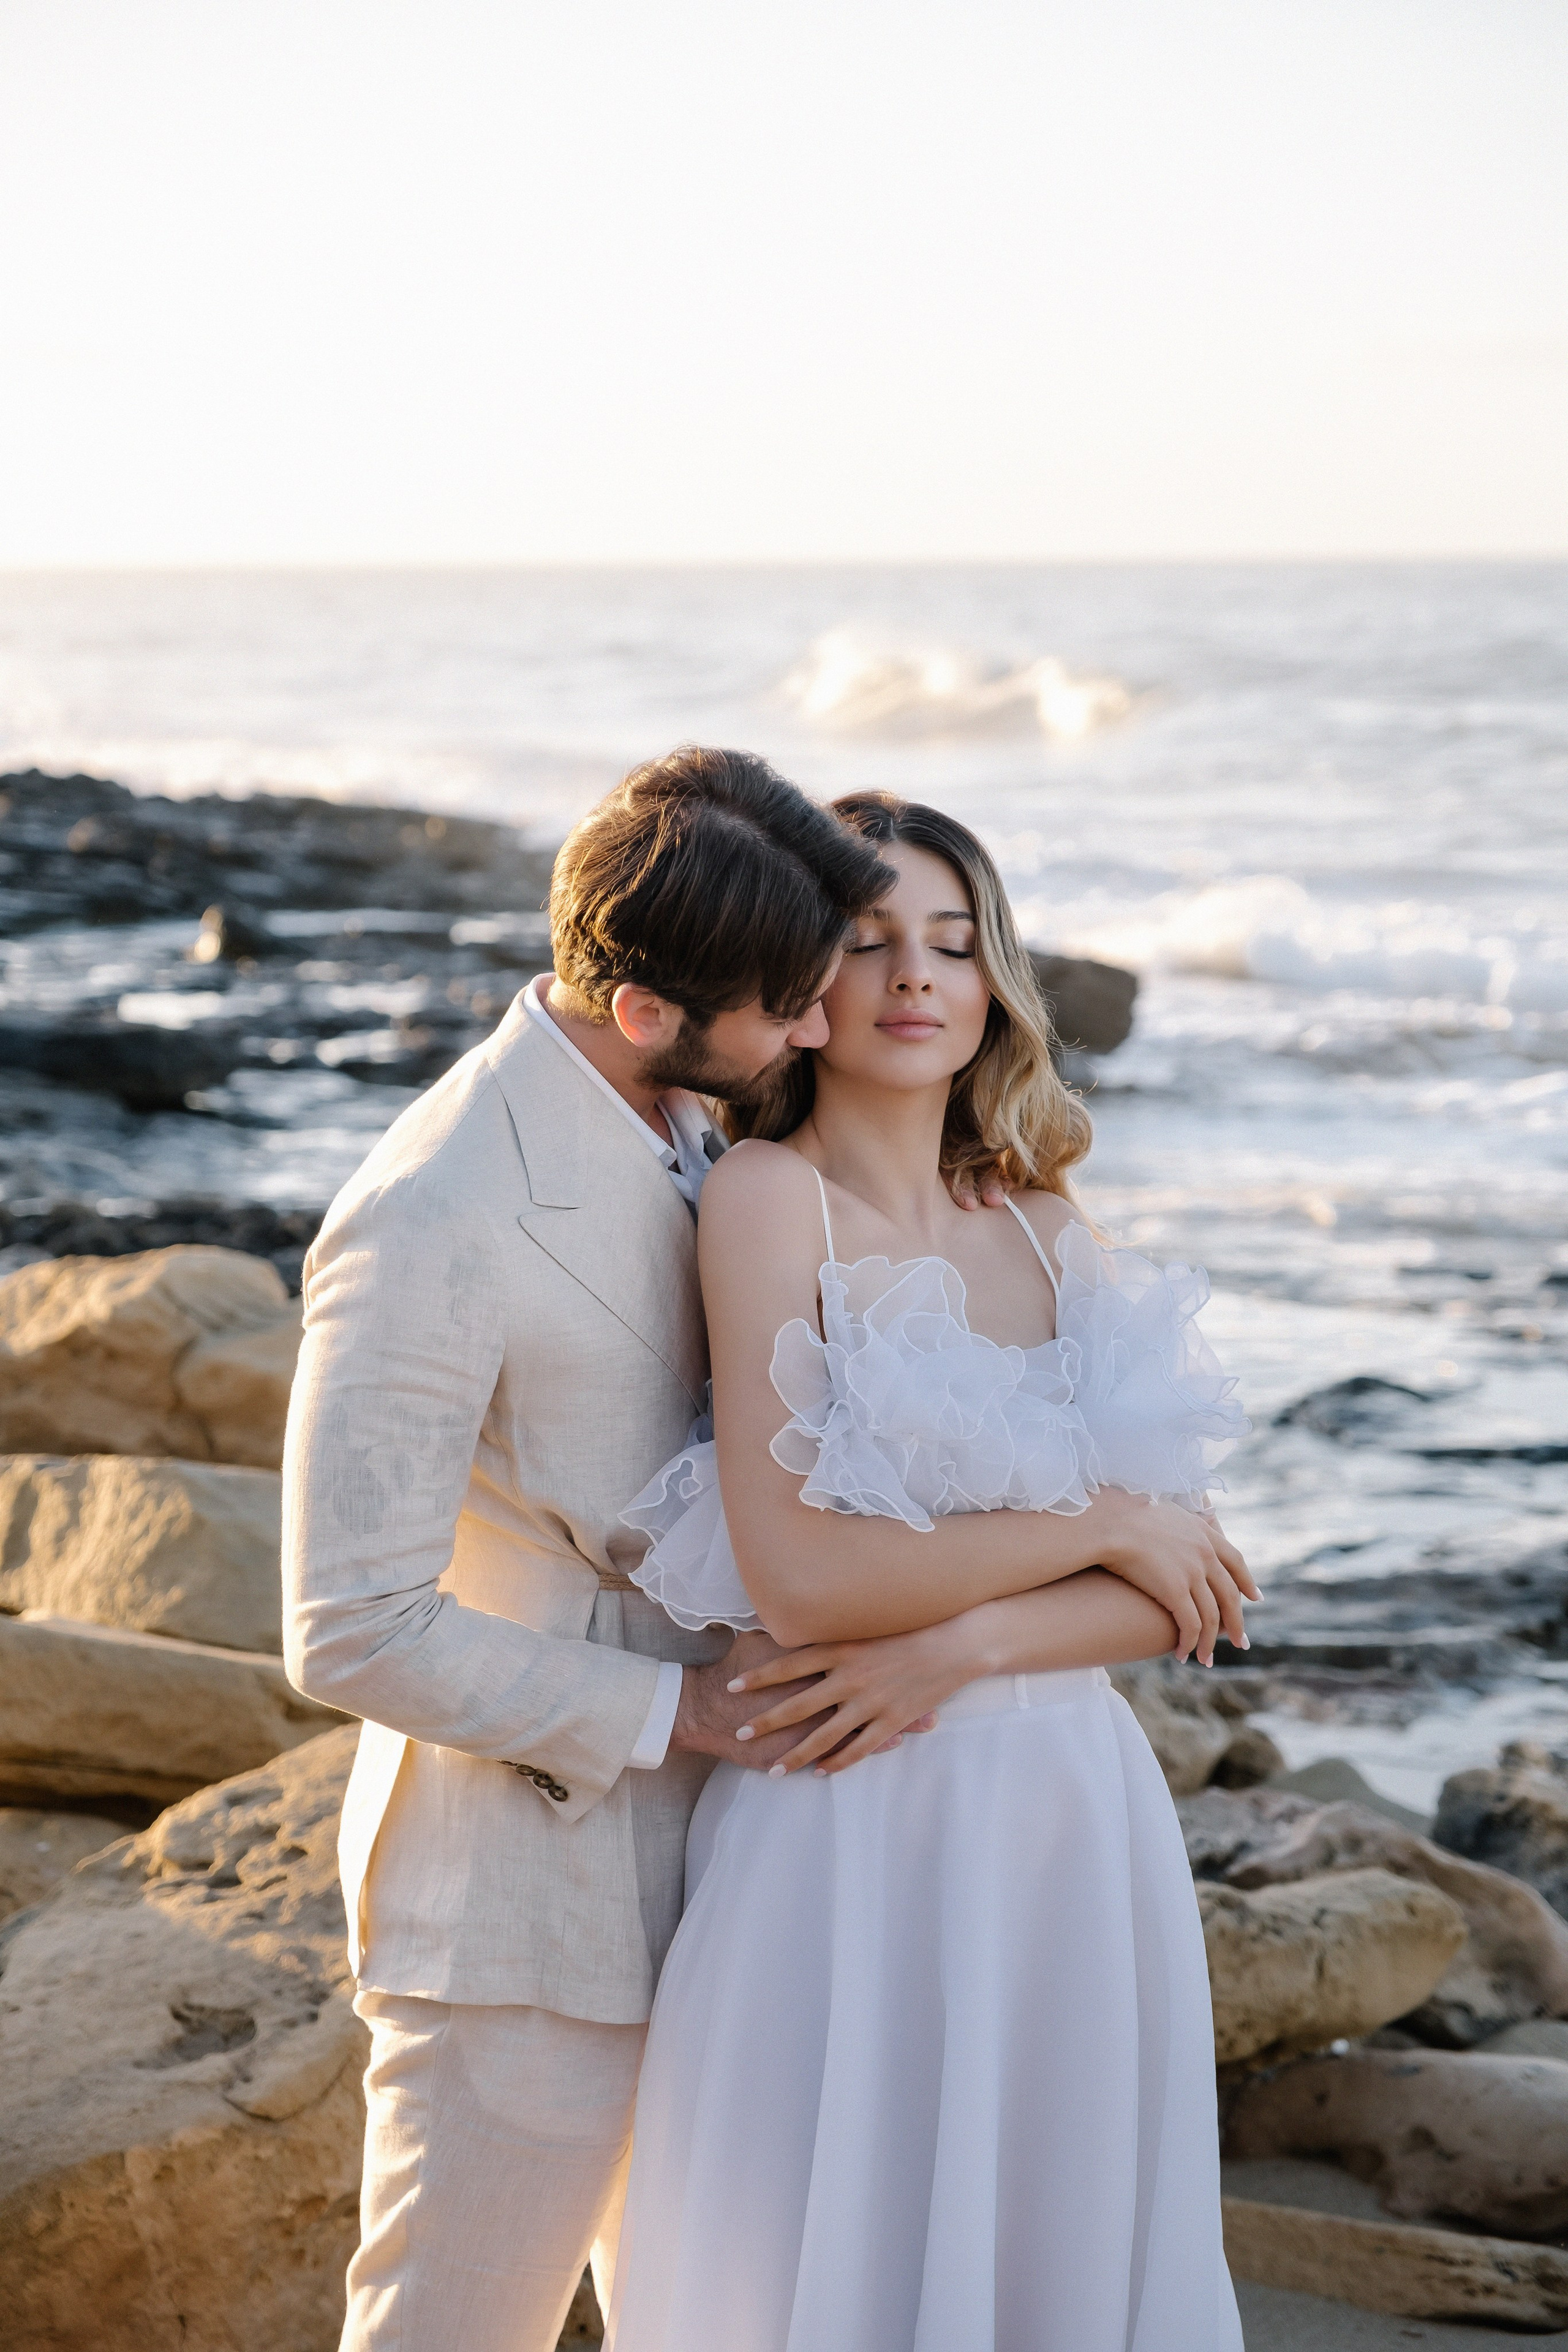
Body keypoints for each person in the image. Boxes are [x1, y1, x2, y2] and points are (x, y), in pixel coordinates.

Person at [284, 749, 1248, 2352]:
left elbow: (1169, 1560)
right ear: (659, 1008)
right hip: (547, 1888)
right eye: (805, 987)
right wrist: (681, 1719)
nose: (826, 1014)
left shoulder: (691, 1134)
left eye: (911, 950)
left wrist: (973, 1635)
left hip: (764, 1834)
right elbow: (347, 1627)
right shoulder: (438, 1213)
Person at [604, 793, 1254, 2352]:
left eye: (952, 944)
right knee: (834, 2258)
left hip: (1062, 1822)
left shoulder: (1041, 1229)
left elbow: (1196, 1583)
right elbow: (806, 1575)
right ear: (798, 986)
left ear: (992, 982)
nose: (913, 978)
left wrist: (954, 1649)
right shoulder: (769, 1204)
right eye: (865, 942)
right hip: (852, 1819)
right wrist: (1099, 1522)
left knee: (1052, 2253)